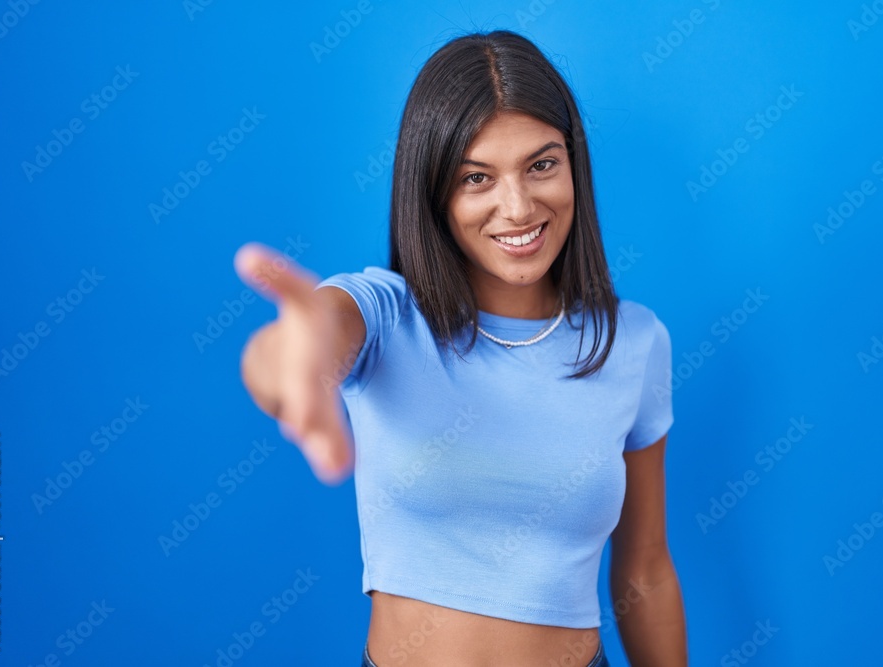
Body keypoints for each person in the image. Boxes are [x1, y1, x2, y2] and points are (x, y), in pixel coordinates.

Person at [235, 29, 687, 667]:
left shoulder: (634, 341)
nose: (518, 206)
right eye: (477, 177)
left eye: (542, 164)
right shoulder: (387, 316)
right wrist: (291, 366)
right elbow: (299, 343)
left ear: (574, 165)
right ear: (434, 195)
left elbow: (644, 565)